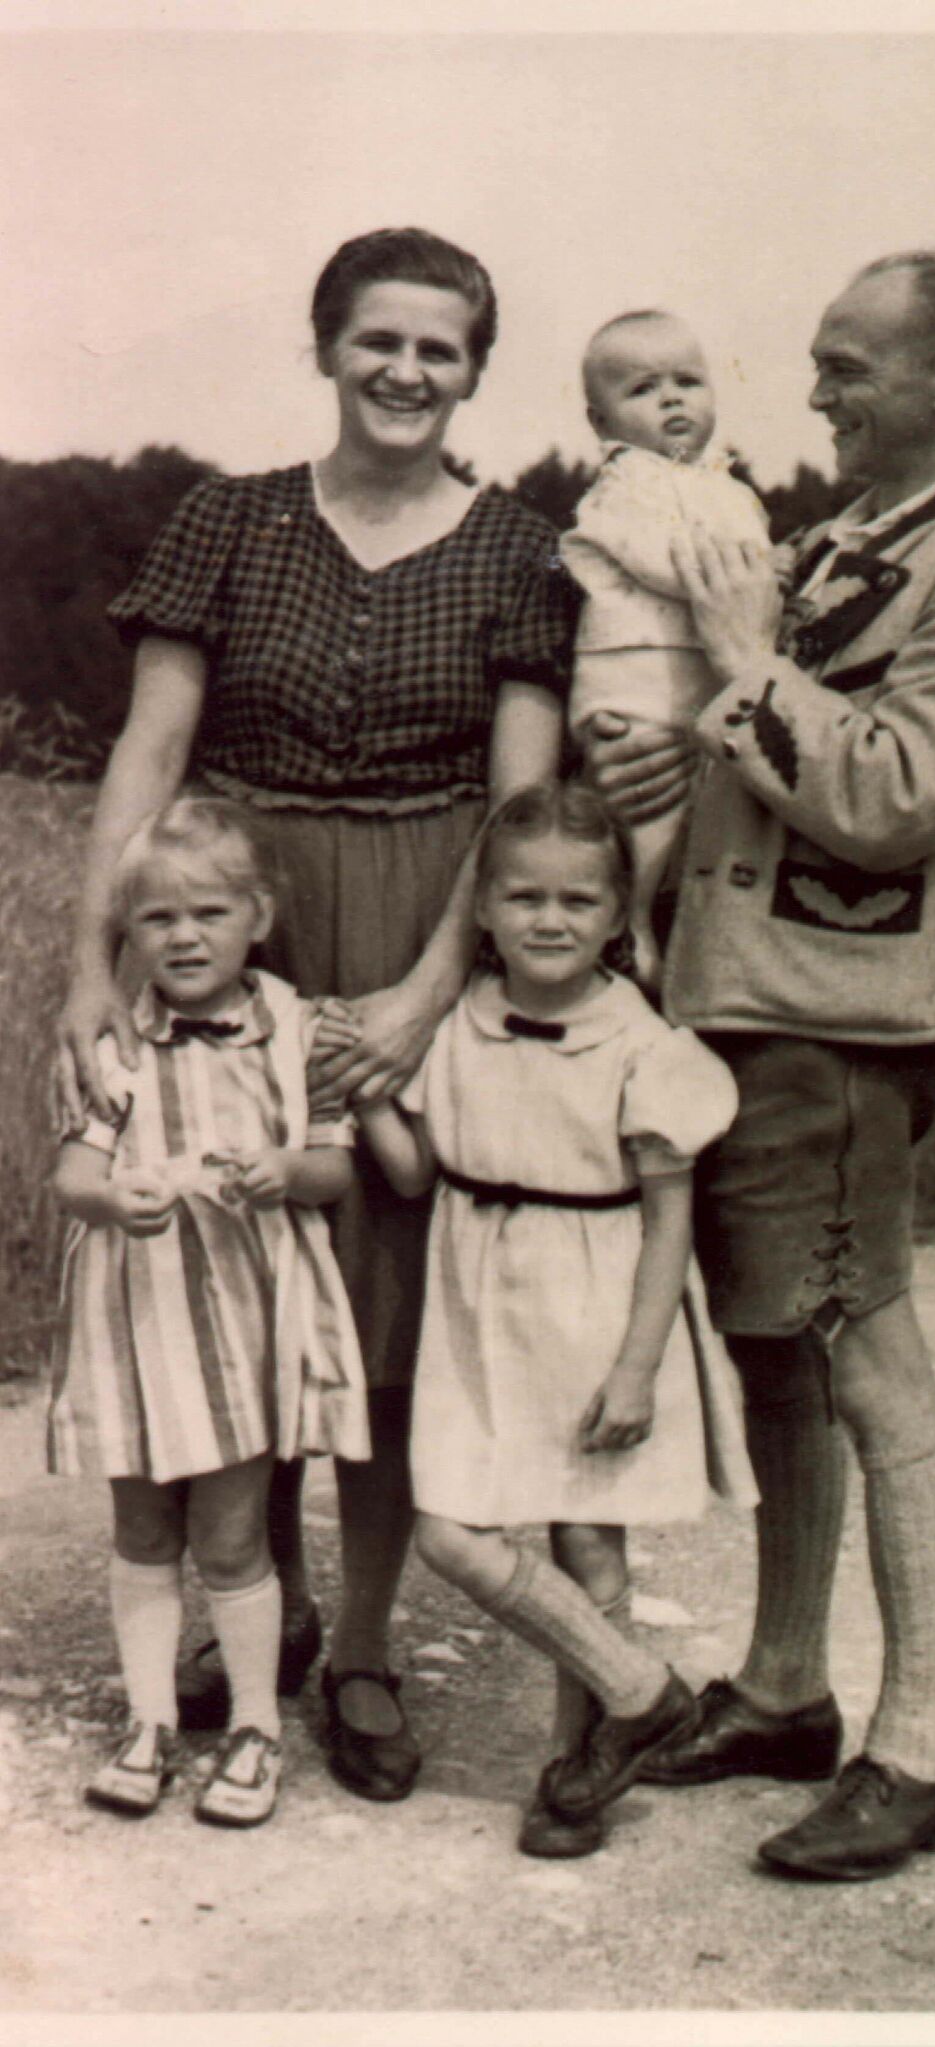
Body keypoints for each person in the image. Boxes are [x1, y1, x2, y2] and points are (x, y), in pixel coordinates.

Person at [56, 227, 578, 1803]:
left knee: (387, 1306)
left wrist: (427, 993)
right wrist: (95, 963)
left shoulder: (521, 546)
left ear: (474, 370)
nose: (406, 371)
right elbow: (151, 753)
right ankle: (255, 1607)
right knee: (235, 1270)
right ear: (327, 346)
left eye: (440, 348)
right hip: (234, 918)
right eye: (380, 340)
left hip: (428, 921)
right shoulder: (227, 520)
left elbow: (522, 802)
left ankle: (359, 1644)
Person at [591, 250, 935, 1879]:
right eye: (815, 363)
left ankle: (918, 1747)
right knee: (777, 1354)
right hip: (742, 1005)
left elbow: (890, 792)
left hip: (849, 1022)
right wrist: (661, 756)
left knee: (863, 1351)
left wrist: (741, 663)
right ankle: (787, 1688)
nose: (812, 395)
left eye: (847, 367)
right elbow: (748, 733)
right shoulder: (828, 547)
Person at [357, 782, 757, 1857]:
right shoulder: (459, 1023)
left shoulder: (642, 1044)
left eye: (578, 901)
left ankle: (577, 1775)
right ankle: (643, 1689)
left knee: (587, 1539)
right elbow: (415, 1172)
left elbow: (670, 1224)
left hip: (593, 1303)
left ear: (619, 915)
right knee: (450, 1530)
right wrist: (362, 1094)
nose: (549, 919)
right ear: (483, 908)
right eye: (524, 897)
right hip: (478, 1305)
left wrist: (636, 1369)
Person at [49, 797, 369, 1829]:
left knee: (232, 1533)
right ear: (129, 931)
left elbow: (333, 1167)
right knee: (143, 1525)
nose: (184, 937)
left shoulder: (298, 1031)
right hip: (137, 1319)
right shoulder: (116, 1044)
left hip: (240, 1321)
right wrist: (113, 1199)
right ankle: (148, 1719)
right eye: (158, 918)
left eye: (209, 913)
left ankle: (254, 1725)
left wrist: (283, 1170)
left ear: (258, 916)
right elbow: (74, 1175)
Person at [561, 311, 771, 986]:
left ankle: (675, 930)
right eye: (644, 389)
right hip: (635, 674)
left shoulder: (729, 489)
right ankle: (632, 923)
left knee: (702, 809)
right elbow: (657, 558)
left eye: (687, 381)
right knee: (648, 802)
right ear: (601, 422)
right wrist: (749, 579)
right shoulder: (626, 484)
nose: (672, 399)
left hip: (696, 673)